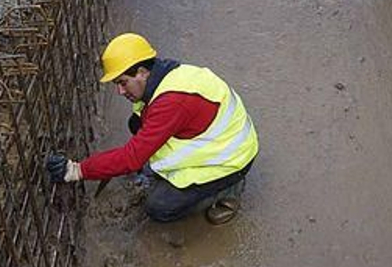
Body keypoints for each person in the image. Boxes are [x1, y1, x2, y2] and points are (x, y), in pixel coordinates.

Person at [45, 33, 257, 225]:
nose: (120, 91)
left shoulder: (172, 102)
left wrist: (76, 170)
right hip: (219, 139)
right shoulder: (164, 75)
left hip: (232, 160)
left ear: (142, 72)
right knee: (135, 124)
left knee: (159, 208)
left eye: (123, 83)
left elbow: (130, 159)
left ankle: (227, 191)